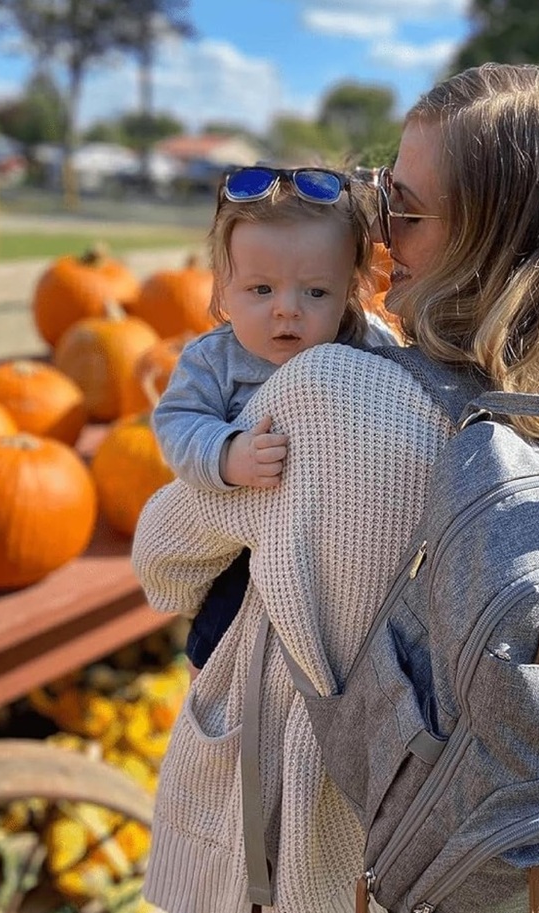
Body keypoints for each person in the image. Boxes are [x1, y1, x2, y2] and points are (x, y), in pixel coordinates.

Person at [132, 62, 539, 913]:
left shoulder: (335, 397)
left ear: (485, 234)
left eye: (406, 207)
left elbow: (165, 566)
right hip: (460, 855)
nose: (380, 229)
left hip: (300, 867)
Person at [152, 165, 398, 670]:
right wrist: (227, 453)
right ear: (223, 288)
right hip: (246, 544)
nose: (287, 310)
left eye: (316, 292)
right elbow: (177, 422)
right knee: (224, 634)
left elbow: (402, 406)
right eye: (261, 290)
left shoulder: (370, 345)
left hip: (342, 540)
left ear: (351, 288)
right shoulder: (212, 360)